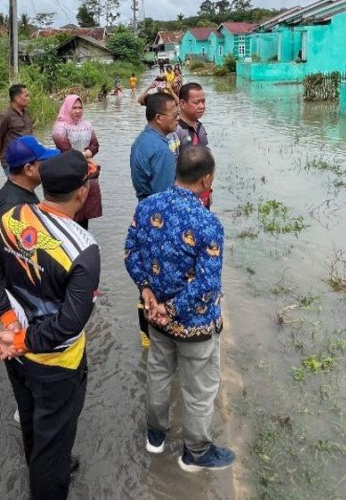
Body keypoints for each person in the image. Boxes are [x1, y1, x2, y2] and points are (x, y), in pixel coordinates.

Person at [0, 150, 100, 500]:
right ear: (82, 192)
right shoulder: (83, 249)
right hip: (56, 364)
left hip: (16, 353)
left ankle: (44, 463)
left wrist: (9, 326)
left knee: (33, 420)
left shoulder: (13, 217)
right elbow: (68, 324)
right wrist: (20, 340)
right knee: (54, 441)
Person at [124, 145, 235, 473]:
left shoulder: (147, 207)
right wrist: (172, 310)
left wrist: (148, 294)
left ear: (176, 171)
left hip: (155, 318)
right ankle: (195, 452)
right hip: (194, 326)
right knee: (199, 389)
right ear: (207, 179)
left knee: (158, 374)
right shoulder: (207, 222)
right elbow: (207, 286)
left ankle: (155, 437)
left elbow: (131, 252)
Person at [130, 92, 180, 348]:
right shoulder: (160, 150)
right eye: (174, 115)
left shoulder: (142, 141)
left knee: (147, 274)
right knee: (159, 276)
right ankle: (156, 330)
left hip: (144, 211)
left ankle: (145, 331)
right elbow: (165, 198)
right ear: (159, 118)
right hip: (158, 221)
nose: (177, 120)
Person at [0, 135, 59, 254]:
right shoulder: (9, 206)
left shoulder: (23, 190)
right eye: (43, 162)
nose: (48, 165)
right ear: (28, 169)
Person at [52, 95, 101, 229]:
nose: (78, 111)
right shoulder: (60, 127)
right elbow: (65, 149)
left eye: (80, 108)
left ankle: (82, 240)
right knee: (70, 208)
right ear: (67, 108)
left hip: (86, 170)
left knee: (85, 209)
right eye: (74, 108)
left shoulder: (87, 125)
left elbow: (95, 145)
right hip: (69, 171)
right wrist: (85, 155)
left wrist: (88, 153)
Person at [174, 82, 211, 208]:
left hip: (203, 195)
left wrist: (209, 191)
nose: (202, 106)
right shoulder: (176, 131)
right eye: (196, 103)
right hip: (184, 199)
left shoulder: (200, 126)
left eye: (203, 102)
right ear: (182, 104)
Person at [0, 84, 33, 175]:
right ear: (17, 98)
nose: (29, 98)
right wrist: (3, 157)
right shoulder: (5, 116)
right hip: (11, 162)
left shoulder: (27, 113)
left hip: (27, 160)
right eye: (26, 96)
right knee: (16, 187)